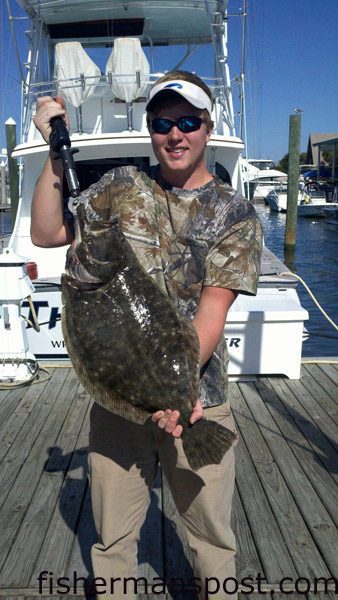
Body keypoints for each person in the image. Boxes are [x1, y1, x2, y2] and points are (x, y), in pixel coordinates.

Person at [31, 70, 262, 599]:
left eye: (187, 122)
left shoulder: (235, 212)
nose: (174, 135)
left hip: (198, 403)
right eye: (162, 123)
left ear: (207, 127)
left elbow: (212, 311)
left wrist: (174, 395)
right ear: (150, 128)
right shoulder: (119, 188)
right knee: (111, 541)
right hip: (119, 410)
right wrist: (53, 151)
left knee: (211, 542)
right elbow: (47, 233)